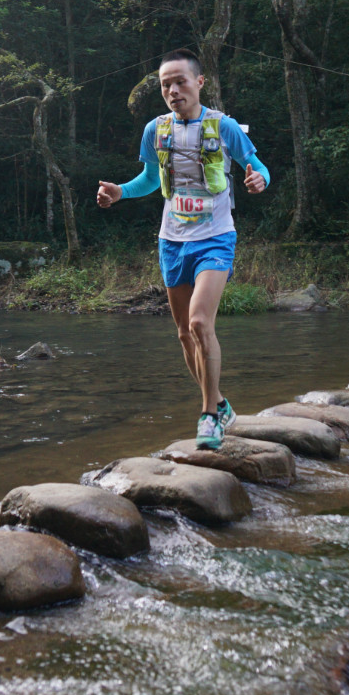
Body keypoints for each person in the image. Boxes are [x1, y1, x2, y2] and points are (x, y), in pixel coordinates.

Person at [97, 50, 270, 449]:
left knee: (198, 323)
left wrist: (259, 180)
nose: (173, 90)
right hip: (172, 239)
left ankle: (209, 416)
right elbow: (148, 179)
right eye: (165, 85)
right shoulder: (154, 130)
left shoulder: (224, 127)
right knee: (182, 334)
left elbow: (259, 166)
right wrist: (120, 193)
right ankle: (221, 403)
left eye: (180, 82)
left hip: (216, 237)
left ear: (199, 82)